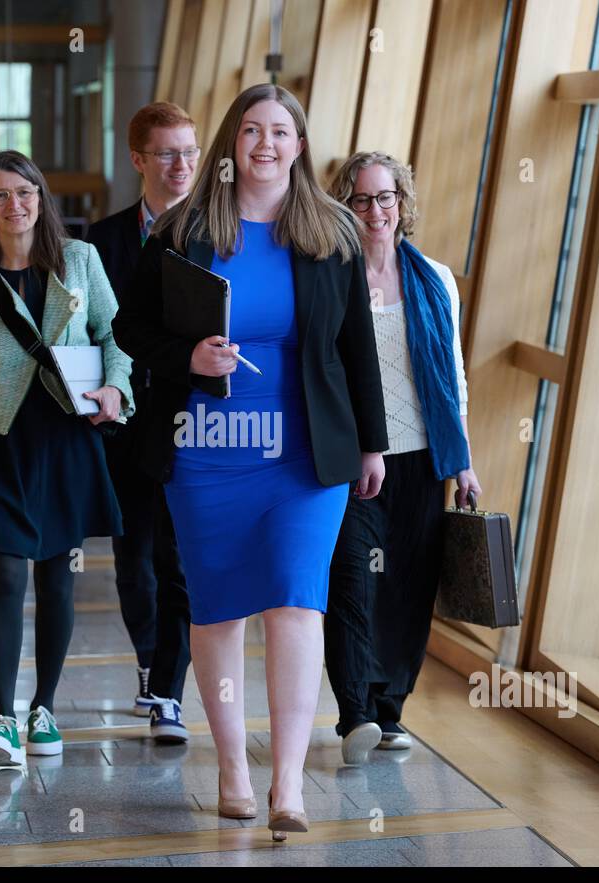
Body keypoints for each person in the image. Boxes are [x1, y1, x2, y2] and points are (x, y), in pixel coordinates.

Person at [112, 84, 388, 840]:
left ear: (300, 145)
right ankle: (233, 767)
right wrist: (188, 356)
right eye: (252, 130)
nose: (266, 143)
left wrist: (372, 443)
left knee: (299, 603)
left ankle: (288, 784)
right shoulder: (184, 229)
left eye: (281, 131)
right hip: (208, 451)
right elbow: (130, 326)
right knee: (219, 609)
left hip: (305, 456)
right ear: (233, 143)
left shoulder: (330, 233)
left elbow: (355, 347)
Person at [0, 150, 134, 769]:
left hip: (66, 437)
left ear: (41, 196)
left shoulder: (80, 260)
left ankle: (45, 706)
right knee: (4, 575)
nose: (15, 204)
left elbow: (116, 336)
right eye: (0, 195)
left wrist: (115, 387)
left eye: (24, 191)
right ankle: (3, 714)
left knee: (58, 579)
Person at [324, 151, 482, 764]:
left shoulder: (434, 278)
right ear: (346, 206)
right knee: (354, 583)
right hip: (355, 457)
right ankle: (355, 711)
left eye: (385, 197)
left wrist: (461, 459)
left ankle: (390, 710)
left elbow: (455, 377)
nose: (375, 210)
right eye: (362, 200)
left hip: (422, 457)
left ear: (402, 203)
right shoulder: (329, 276)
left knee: (409, 587)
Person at [86, 101, 198, 742]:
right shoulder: (100, 241)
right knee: (135, 560)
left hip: (194, 418)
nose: (181, 165)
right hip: (125, 420)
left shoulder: (223, 232)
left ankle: (168, 690)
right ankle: (148, 660)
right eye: (166, 153)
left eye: (188, 151)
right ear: (138, 160)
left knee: (177, 558)